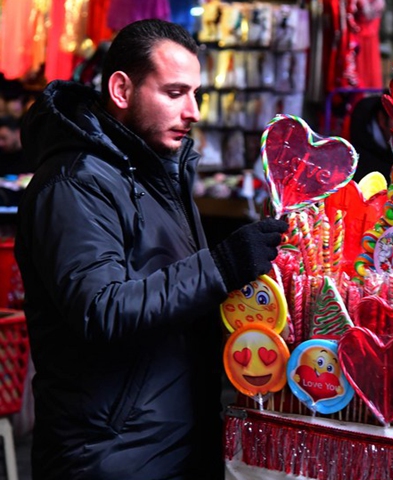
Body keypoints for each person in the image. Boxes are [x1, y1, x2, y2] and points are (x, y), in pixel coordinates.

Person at [14, 19, 287, 479]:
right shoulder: (75, 184)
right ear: (122, 89)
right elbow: (100, 308)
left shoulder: (155, 173)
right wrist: (221, 266)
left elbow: (167, 289)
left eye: (195, 93)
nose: (194, 111)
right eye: (175, 93)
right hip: (112, 455)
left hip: (174, 438)